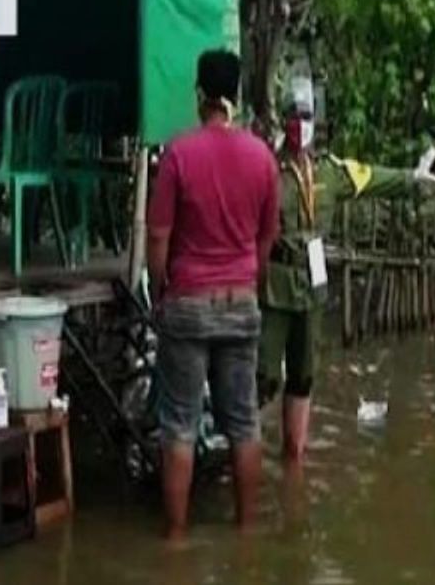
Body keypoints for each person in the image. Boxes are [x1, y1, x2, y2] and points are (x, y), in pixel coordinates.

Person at [259, 79, 435, 470]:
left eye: (305, 116)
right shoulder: (266, 168)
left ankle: (294, 459)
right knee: (264, 374)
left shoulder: (330, 171)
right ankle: (246, 446)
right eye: (293, 116)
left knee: (304, 374)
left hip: (312, 285)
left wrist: (412, 179)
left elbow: (372, 178)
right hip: (273, 281)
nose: (299, 124)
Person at [147, 49, 280, 537]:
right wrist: (250, 280)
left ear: (199, 94)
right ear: (236, 96)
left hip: (187, 301)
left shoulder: (179, 154)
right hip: (240, 299)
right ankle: (246, 532)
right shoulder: (262, 157)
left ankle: (177, 539)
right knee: (244, 421)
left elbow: (159, 236)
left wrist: (161, 290)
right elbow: (267, 237)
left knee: (179, 423)